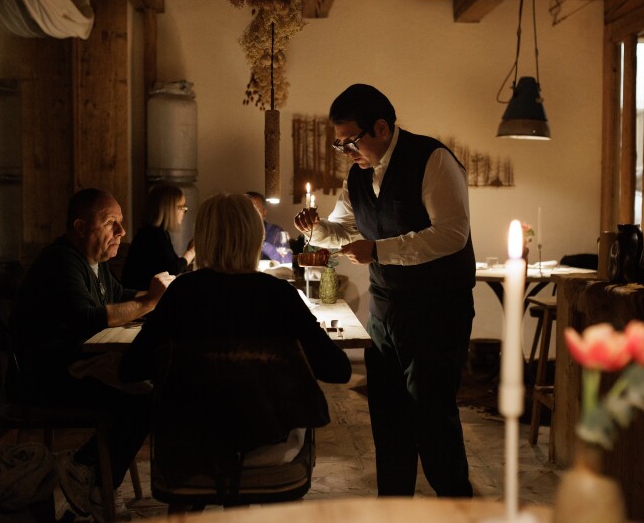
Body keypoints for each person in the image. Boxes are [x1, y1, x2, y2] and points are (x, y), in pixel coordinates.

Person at [294, 84, 476, 497]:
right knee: (389, 420)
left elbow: (451, 234)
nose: (346, 152)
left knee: (432, 420)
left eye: (349, 142)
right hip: (384, 311)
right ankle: (393, 507)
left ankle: (456, 505)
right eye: (339, 145)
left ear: (380, 128)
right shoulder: (357, 176)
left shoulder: (432, 159)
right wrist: (316, 230)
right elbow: (343, 229)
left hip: (437, 309)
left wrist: (379, 250)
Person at [11, 188, 174, 520]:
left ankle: (94, 478)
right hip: (47, 379)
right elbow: (85, 320)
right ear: (81, 227)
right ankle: (85, 471)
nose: (121, 232)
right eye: (111, 223)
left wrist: (165, 296)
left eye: (121, 223)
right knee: (142, 398)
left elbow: (119, 296)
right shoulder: (61, 260)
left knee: (146, 387)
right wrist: (149, 302)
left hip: (74, 366)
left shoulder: (94, 264)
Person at [121, 192, 350, 385]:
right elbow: (337, 370)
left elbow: (131, 368)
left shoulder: (182, 292)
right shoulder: (279, 294)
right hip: (267, 429)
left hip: (192, 430)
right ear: (256, 236)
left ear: (202, 238)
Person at [122, 183, 195, 290]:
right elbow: (172, 270)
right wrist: (192, 252)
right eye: (182, 207)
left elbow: (172, 265)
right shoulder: (152, 235)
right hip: (140, 298)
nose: (184, 211)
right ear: (168, 209)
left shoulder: (158, 233)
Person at [246, 191, 293, 264]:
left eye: (256, 210)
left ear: (264, 213)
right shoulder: (235, 233)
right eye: (247, 210)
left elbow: (287, 261)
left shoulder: (275, 232)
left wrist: (262, 244)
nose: (251, 215)